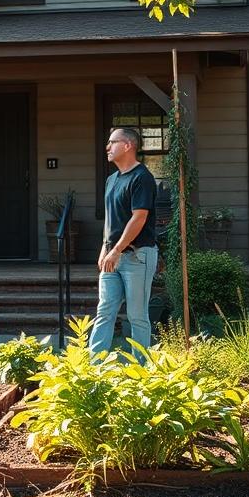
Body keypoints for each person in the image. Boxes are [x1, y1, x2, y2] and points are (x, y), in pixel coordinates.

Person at [88, 126, 159, 359]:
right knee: (104, 310)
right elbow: (112, 219)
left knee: (137, 315)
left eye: (112, 142)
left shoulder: (142, 178)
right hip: (112, 256)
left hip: (137, 255)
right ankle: (93, 366)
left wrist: (116, 250)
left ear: (127, 145)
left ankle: (140, 368)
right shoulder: (111, 180)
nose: (107, 147)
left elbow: (139, 218)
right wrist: (104, 249)